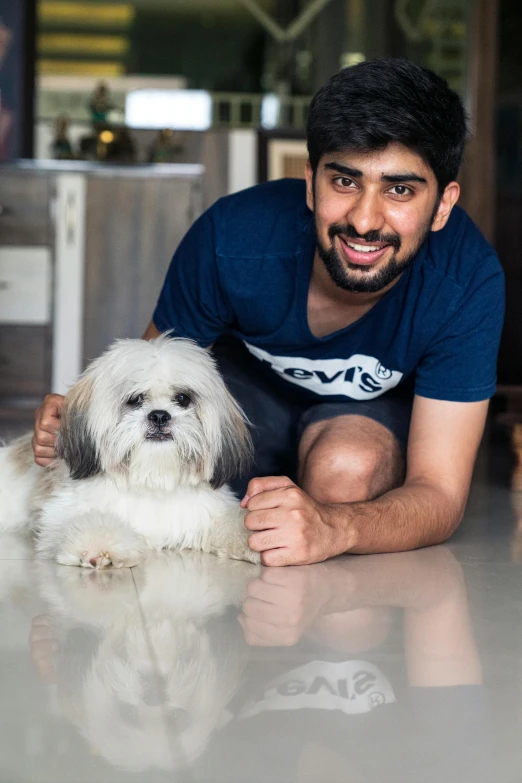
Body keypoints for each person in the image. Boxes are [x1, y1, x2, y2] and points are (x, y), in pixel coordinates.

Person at [33, 58, 505, 567]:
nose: (365, 220)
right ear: (310, 182)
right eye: (344, 182)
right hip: (241, 416)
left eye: (399, 190)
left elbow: (439, 493)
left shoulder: (467, 279)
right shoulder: (232, 239)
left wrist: (334, 526)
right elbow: (151, 373)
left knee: (346, 468)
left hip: (359, 425)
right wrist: (76, 423)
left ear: (442, 204)